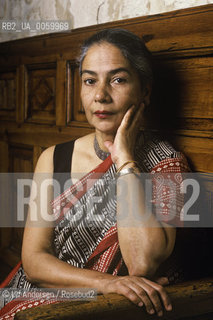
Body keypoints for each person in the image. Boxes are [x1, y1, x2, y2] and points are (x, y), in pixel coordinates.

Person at [0, 28, 189, 319]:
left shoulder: (166, 162)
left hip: (111, 311)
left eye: (118, 80)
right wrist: (108, 284)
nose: (100, 95)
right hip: (43, 300)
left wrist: (125, 161)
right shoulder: (54, 158)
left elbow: (141, 263)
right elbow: (35, 262)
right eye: (90, 81)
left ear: (145, 91)